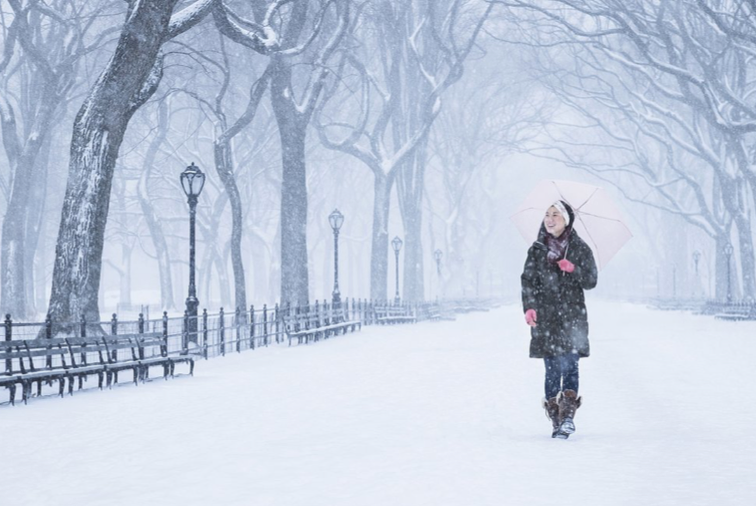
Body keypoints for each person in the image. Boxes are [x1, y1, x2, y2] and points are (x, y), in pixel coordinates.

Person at [520, 200, 597, 439]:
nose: (550, 219)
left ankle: (567, 418)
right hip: (546, 318)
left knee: (570, 366)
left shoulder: (580, 248)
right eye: (547, 214)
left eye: (555, 214)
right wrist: (530, 307)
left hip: (572, 317)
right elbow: (528, 281)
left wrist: (573, 269)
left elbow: (591, 281)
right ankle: (556, 419)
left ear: (567, 220)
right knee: (552, 369)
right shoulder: (537, 249)